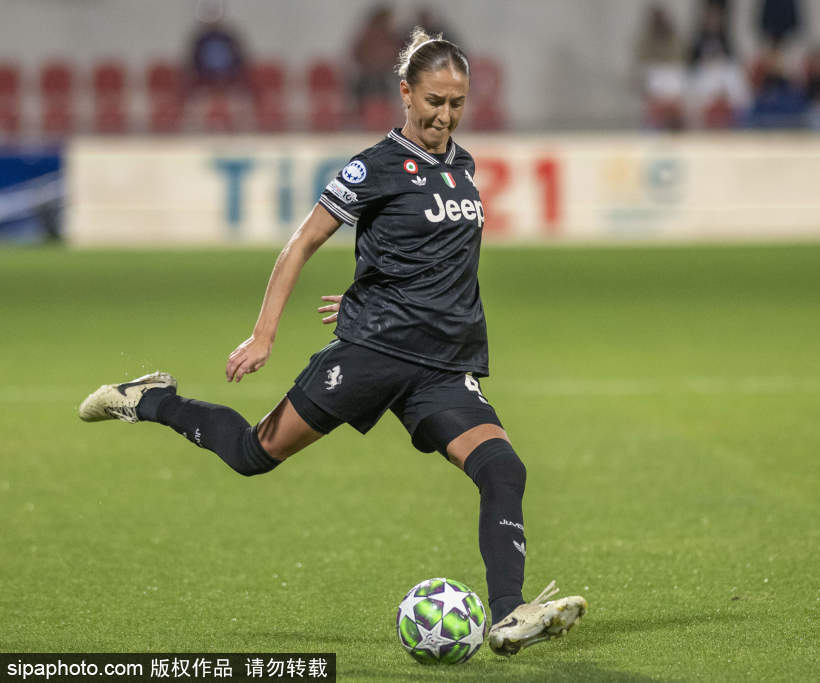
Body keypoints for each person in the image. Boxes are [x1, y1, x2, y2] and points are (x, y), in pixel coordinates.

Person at [78, 27, 586, 657]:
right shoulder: (372, 167)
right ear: (406, 93)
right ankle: (151, 399)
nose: (445, 115)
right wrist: (264, 333)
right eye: (434, 101)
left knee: (503, 467)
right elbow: (303, 244)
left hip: (441, 365)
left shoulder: (463, 165)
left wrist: (368, 291)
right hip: (372, 354)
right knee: (253, 454)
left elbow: (437, 258)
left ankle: (509, 614)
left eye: (457, 103)